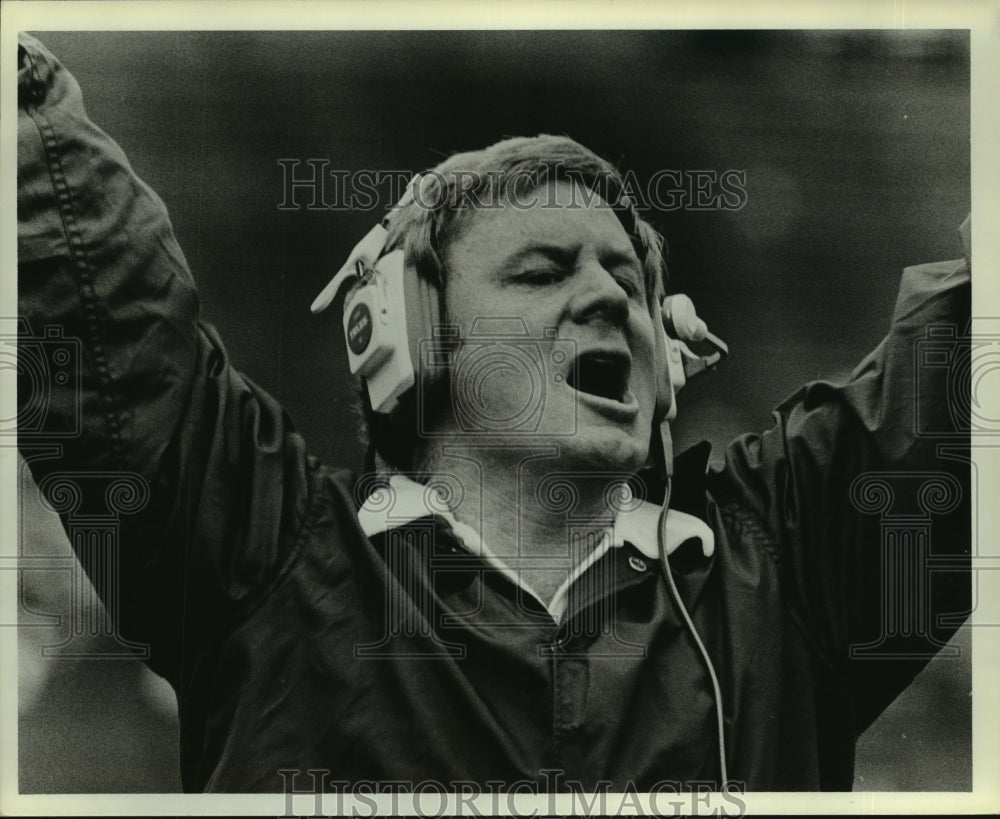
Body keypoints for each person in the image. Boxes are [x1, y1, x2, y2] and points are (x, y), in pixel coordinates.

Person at [16, 32, 971, 793]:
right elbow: (99, 298)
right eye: (543, 270)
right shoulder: (267, 561)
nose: (608, 299)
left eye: (630, 282)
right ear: (406, 339)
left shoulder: (789, 564)